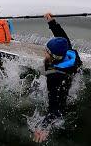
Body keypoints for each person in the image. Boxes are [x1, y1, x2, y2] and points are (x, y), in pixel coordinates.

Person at [32, 13, 82, 143]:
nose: (44, 52)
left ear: (54, 56)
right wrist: (52, 23)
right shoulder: (70, 54)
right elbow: (63, 38)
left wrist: (44, 126)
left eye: (47, 51)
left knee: (40, 95)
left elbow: (55, 108)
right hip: (67, 82)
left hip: (61, 100)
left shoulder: (54, 75)